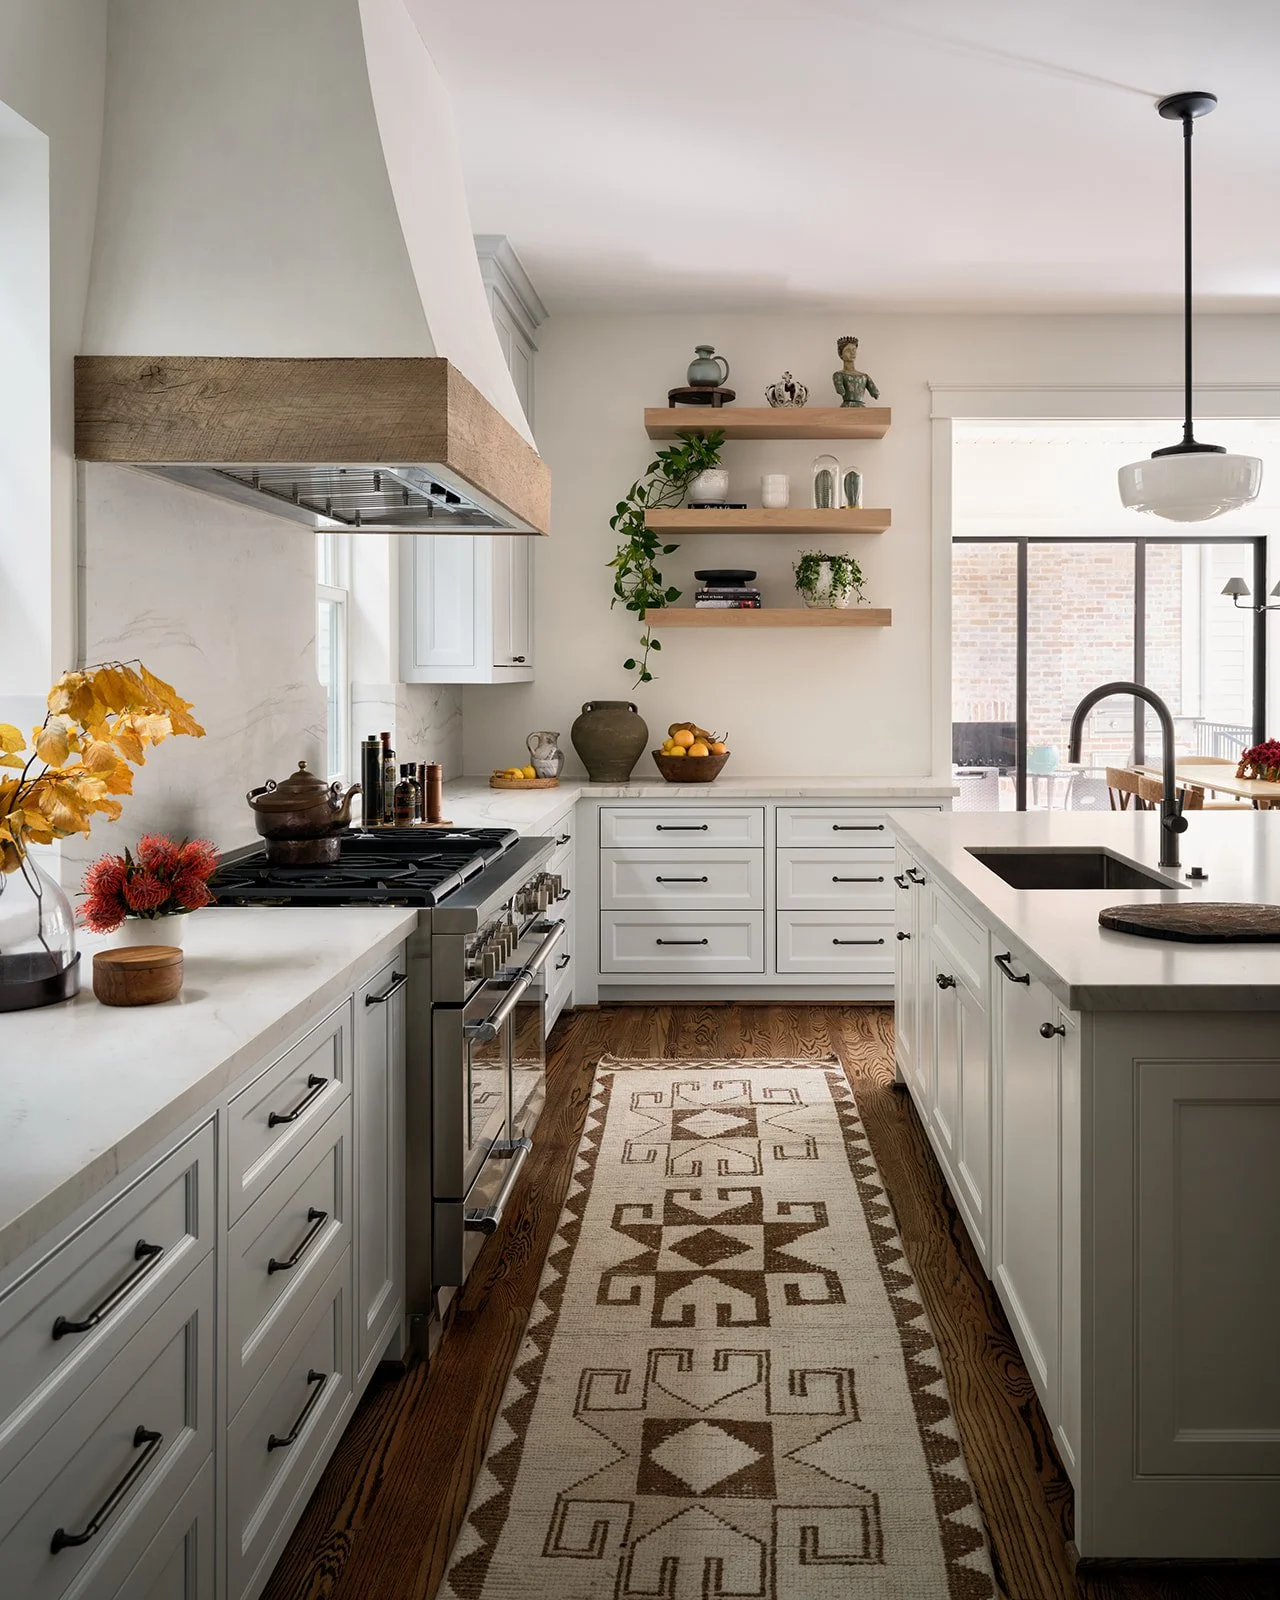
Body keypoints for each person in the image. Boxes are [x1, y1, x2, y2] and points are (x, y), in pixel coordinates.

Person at [832, 335, 880, 408]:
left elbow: (875, 393)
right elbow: (840, 390)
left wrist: (875, 394)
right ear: (840, 354)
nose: (852, 353)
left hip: (861, 409)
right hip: (846, 407)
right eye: (848, 350)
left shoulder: (864, 376)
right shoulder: (838, 375)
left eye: (854, 350)